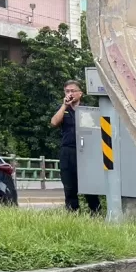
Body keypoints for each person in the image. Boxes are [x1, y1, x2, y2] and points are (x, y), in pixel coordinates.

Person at [51, 80, 101, 214]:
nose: (70, 93)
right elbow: (54, 122)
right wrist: (64, 106)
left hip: (86, 152)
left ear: (80, 93)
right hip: (68, 151)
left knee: (90, 186)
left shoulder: (87, 110)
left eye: (73, 91)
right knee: (69, 186)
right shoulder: (64, 110)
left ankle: (95, 213)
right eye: (67, 91)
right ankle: (73, 214)